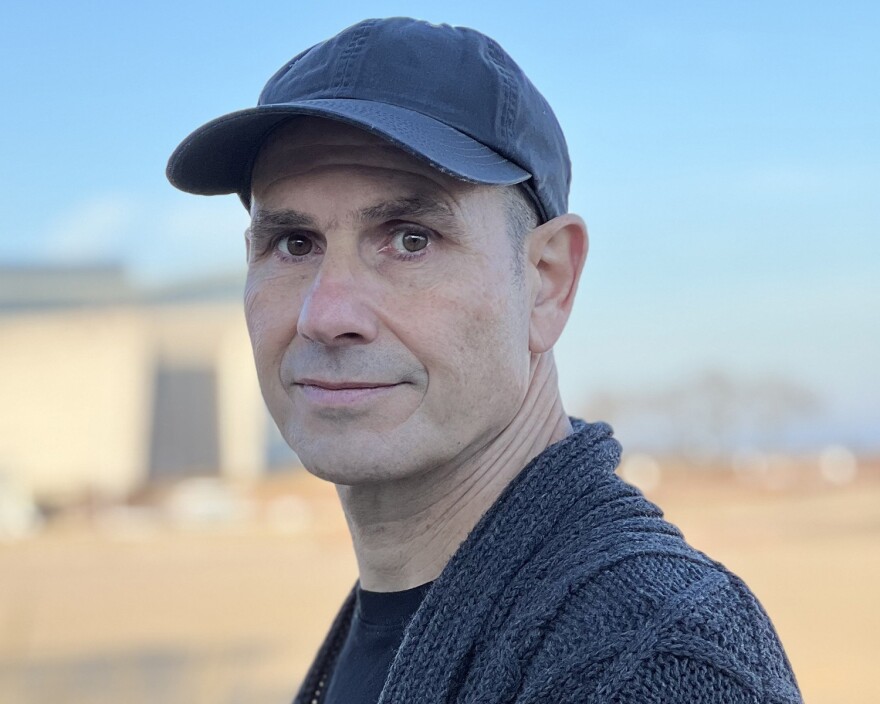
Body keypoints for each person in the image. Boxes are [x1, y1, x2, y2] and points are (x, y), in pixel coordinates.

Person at [167, 17, 803, 704]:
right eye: (293, 243)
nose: (326, 315)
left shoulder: (646, 658)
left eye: (410, 239)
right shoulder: (397, 616)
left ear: (547, 280)